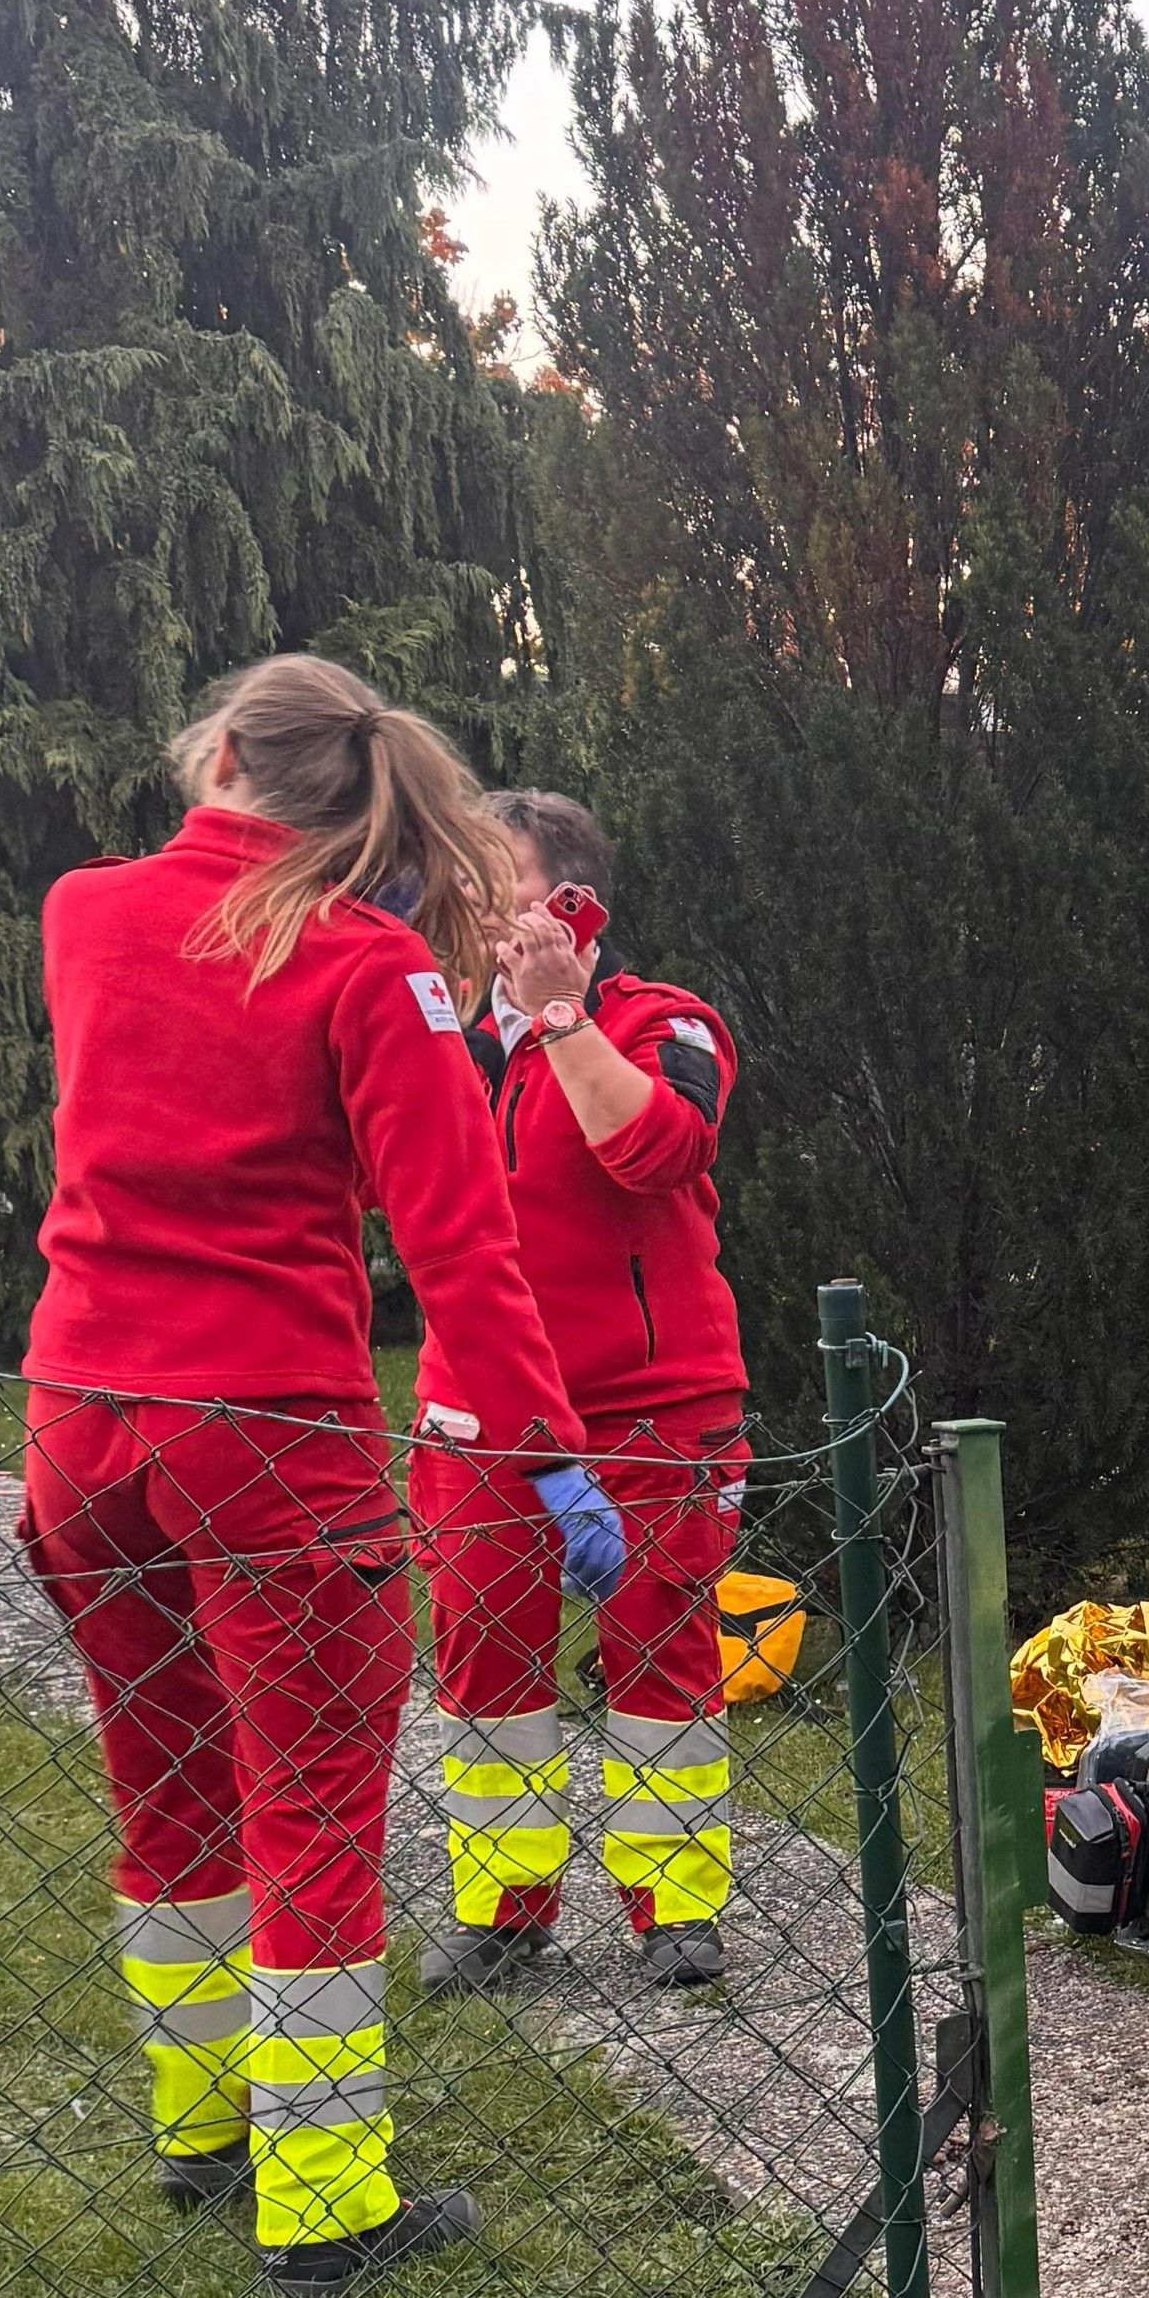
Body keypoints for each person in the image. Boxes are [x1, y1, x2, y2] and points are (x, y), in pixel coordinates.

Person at [16, 654, 615, 2291]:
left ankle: (200, 2127)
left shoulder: (81, 912)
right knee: (311, 1819)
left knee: (167, 1794)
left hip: (82, 1421)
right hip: (271, 1441)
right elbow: (464, 1255)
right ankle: (328, 2195)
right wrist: (553, 1465)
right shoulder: (361, 964)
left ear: (216, 752)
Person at [411, 792, 756, 1996]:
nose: (463, 909)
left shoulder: (669, 1024)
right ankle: (503, 1906)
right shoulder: (437, 1036)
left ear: (570, 904)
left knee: (659, 1648)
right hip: (483, 1410)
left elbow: (652, 1151)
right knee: (483, 1655)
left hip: (652, 1403)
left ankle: (674, 1905)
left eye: (487, 886)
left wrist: (560, 1017)